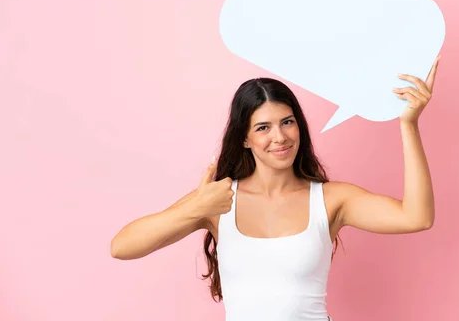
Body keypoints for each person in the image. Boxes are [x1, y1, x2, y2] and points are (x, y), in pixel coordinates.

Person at [110, 56, 441, 320]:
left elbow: (416, 217)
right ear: (244, 138)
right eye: (263, 127)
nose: (280, 137)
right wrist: (195, 209)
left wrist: (408, 124)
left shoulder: (330, 199)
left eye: (287, 122)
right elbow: (122, 246)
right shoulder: (217, 201)